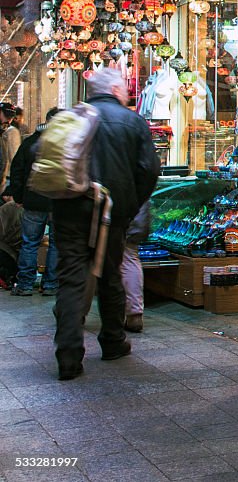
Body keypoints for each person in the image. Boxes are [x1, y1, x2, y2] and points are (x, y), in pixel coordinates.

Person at [47, 68, 159, 380]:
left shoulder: (71, 116)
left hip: (70, 209)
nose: (127, 92)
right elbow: (148, 171)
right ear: (113, 89)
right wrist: (129, 205)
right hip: (111, 211)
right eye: (124, 87)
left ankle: (68, 356)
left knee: (71, 280)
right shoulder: (130, 120)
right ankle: (112, 340)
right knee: (111, 274)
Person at [5, 107, 60, 296]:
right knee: (56, 244)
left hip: (34, 201)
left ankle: (25, 284)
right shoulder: (65, 145)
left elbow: (17, 171)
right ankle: (51, 284)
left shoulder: (30, 143)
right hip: (58, 203)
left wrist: (19, 197)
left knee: (29, 243)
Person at [122, 201, 150, 333]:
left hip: (105, 208)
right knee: (129, 258)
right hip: (134, 210)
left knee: (89, 260)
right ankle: (134, 315)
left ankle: (76, 311)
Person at [0, 102, 20, 191]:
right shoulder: (10, 131)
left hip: (5, 178)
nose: (8, 120)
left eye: (10, 117)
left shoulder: (11, 132)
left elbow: (13, 157)